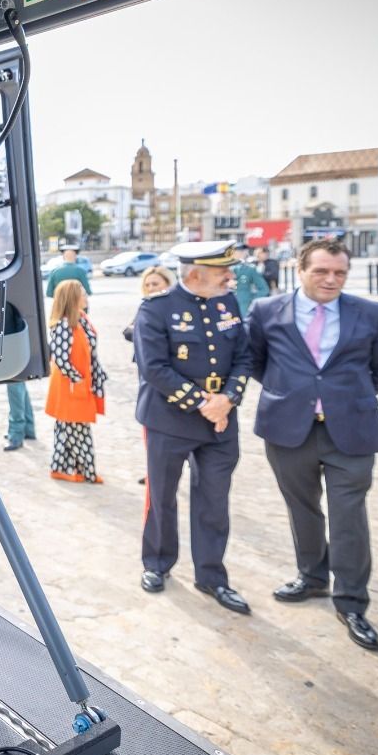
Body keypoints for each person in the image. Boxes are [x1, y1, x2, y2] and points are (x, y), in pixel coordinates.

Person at [248, 239, 378, 651]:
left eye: (339, 273)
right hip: (287, 427)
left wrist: (344, 395)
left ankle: (351, 601)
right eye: (321, 271)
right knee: (302, 507)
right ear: (299, 270)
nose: (331, 280)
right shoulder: (266, 312)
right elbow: (257, 361)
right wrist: (293, 393)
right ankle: (312, 577)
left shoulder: (371, 313)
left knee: (349, 514)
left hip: (351, 429)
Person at [132, 240, 253, 613]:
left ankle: (212, 576)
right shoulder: (156, 309)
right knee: (163, 497)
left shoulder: (228, 303)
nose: (230, 277)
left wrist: (227, 399)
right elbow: (153, 368)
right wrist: (205, 403)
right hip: (169, 420)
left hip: (221, 424)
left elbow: (244, 357)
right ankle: (157, 563)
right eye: (222, 272)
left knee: (214, 502)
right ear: (196, 274)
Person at [44, 279, 106, 483]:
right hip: (70, 387)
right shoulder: (63, 324)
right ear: (72, 298)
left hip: (77, 385)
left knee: (67, 428)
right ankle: (85, 471)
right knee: (78, 429)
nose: (86, 296)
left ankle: (61, 468)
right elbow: (60, 358)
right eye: (83, 293)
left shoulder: (81, 318)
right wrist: (78, 381)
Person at [124, 265, 175, 485]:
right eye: (148, 284)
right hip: (147, 373)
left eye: (156, 283)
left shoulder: (176, 307)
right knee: (152, 426)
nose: (151, 288)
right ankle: (153, 469)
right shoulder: (146, 307)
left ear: (168, 284)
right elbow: (127, 330)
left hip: (171, 376)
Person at [231, 253, 269, 318]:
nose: (239, 253)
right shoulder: (223, 269)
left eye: (241, 251)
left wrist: (251, 299)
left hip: (244, 310)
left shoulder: (249, 269)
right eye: (237, 251)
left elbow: (264, 290)